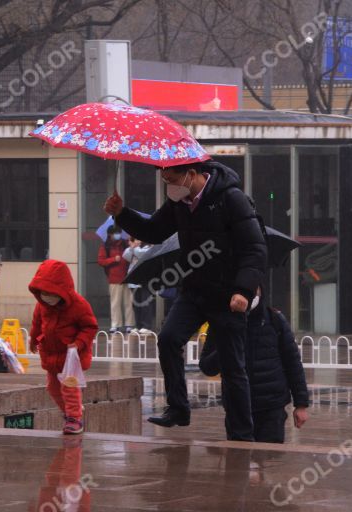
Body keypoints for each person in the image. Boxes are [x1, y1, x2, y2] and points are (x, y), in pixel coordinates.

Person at [103, 160, 267, 439]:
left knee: (232, 368)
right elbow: (154, 230)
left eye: (172, 180)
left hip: (228, 295)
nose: (169, 187)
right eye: (164, 180)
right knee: (168, 338)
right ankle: (178, 407)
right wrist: (122, 214)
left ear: (191, 175)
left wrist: (244, 290)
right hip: (193, 290)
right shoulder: (179, 203)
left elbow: (255, 248)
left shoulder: (231, 199)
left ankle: (241, 434)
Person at [199, 288, 310, 443]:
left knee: (269, 459)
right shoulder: (221, 322)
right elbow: (207, 367)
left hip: (271, 407)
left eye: (254, 288)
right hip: (236, 407)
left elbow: (292, 363)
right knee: (238, 460)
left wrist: (301, 404)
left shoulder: (274, 319)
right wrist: (227, 341)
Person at [29, 260, 98, 435]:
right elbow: (37, 323)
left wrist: (79, 343)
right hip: (51, 353)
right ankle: (70, 413)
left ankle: (75, 418)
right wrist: (33, 340)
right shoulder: (42, 305)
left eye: (50, 293)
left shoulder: (79, 305)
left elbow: (90, 327)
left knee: (69, 388)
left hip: (71, 356)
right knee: (52, 388)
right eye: (43, 293)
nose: (46, 297)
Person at [98, 224, 134, 333]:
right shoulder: (105, 246)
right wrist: (113, 259)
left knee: (129, 302)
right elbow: (101, 261)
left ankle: (129, 324)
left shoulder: (125, 243)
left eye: (118, 232)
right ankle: (115, 325)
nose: (117, 235)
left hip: (127, 277)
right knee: (115, 303)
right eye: (115, 233)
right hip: (114, 278)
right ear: (109, 235)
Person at [123, 237, 155, 334]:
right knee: (136, 305)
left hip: (145, 280)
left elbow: (142, 254)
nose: (133, 242)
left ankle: (147, 326)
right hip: (134, 282)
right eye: (132, 240)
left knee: (145, 303)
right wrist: (132, 248)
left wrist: (134, 248)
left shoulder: (149, 247)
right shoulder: (133, 249)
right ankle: (138, 325)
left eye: (135, 239)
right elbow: (125, 256)